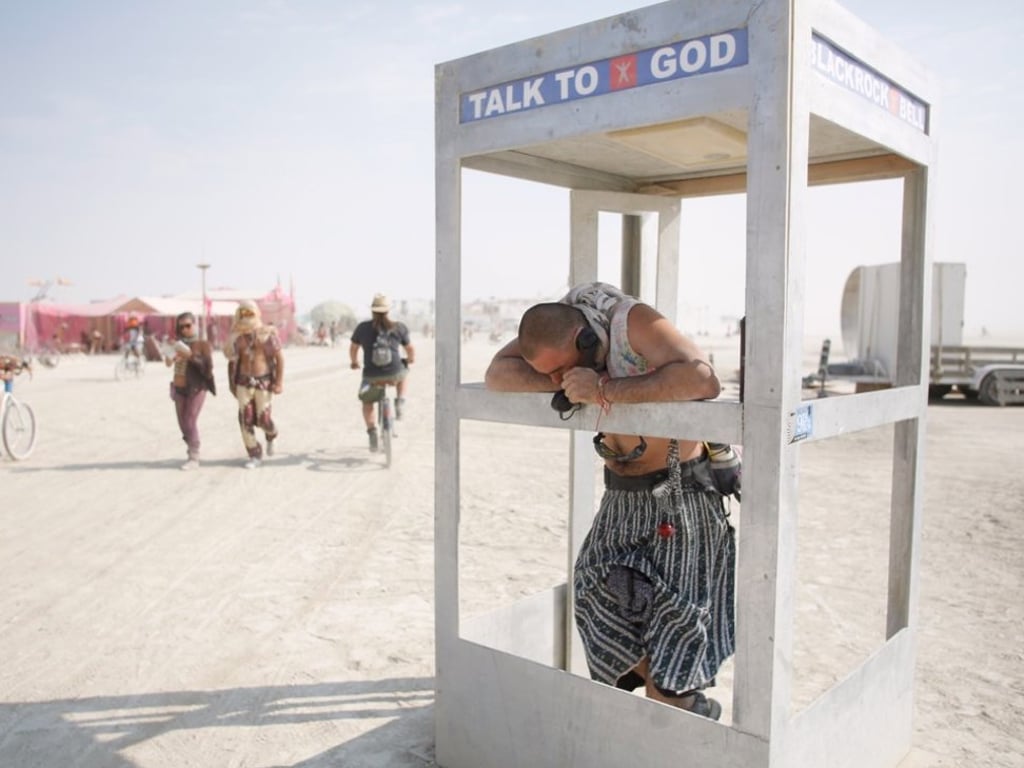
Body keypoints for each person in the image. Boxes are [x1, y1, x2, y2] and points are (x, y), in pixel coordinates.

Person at [485, 281, 735, 719]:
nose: (555, 381)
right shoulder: (560, 323)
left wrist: (605, 388)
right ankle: (679, 697)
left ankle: (680, 703)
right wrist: (561, 379)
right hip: (622, 494)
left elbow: (702, 378)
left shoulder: (630, 322)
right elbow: (497, 374)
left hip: (680, 493)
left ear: (585, 340)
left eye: (561, 369)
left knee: (678, 616)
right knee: (594, 590)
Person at [349, 293, 415, 453]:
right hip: (394, 374)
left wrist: (354, 362)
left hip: (371, 377)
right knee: (404, 372)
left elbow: (353, 348)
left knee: (367, 403)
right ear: (388, 311)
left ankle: (372, 432)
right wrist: (410, 360)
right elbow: (410, 349)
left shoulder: (362, 328)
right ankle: (400, 401)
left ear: (372, 311)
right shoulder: (399, 327)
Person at [225, 300, 285, 469]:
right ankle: (254, 454)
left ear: (257, 314)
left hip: (263, 383)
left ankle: (271, 435)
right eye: (242, 314)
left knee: (264, 420)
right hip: (243, 383)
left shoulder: (267, 335)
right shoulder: (235, 339)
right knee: (246, 419)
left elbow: (280, 359)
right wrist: (232, 385)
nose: (246, 317)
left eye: (249, 313)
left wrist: (279, 383)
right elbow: (231, 362)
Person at [164, 312, 216, 471]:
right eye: (181, 326)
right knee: (183, 423)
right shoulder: (176, 344)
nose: (185, 329)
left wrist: (190, 356)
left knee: (190, 419)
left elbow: (207, 367)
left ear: (195, 325)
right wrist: (170, 355)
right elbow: (167, 364)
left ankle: (194, 456)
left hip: (196, 387)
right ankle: (192, 447)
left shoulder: (202, 344)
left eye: (188, 325)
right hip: (179, 387)